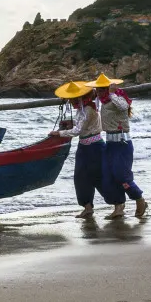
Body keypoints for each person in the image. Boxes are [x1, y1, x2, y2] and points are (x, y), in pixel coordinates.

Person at [87, 73, 148, 219]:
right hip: (110, 143)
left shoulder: (117, 98)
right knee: (108, 176)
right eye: (98, 90)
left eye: (103, 89)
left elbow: (124, 106)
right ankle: (118, 207)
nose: (100, 92)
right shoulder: (103, 101)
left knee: (121, 175)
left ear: (109, 89)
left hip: (122, 143)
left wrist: (113, 93)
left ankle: (139, 198)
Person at [49, 80, 106, 219]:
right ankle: (87, 207)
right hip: (84, 146)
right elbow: (80, 124)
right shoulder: (83, 108)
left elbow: (78, 130)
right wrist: (71, 123)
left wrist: (59, 133)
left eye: (73, 99)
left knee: (98, 177)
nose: (71, 101)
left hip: (94, 147)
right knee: (81, 177)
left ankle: (117, 203)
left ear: (81, 97)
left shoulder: (88, 109)